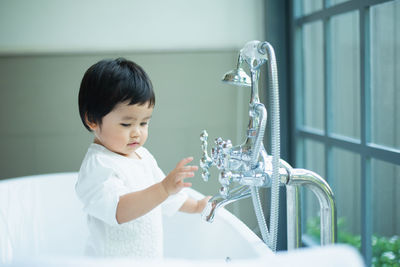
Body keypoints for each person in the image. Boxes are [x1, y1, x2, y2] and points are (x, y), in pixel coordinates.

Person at [76, 58, 210, 258]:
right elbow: (118, 210)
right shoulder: (98, 166)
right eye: (126, 124)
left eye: (144, 123)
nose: (137, 133)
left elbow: (166, 198)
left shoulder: (142, 156)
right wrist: (164, 188)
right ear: (92, 120)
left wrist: (197, 206)